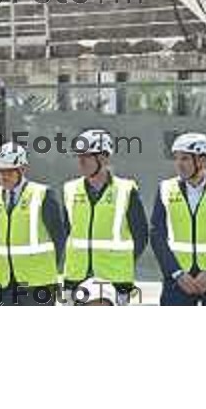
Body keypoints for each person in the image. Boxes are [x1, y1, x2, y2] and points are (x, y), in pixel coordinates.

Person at [62, 129, 149, 305]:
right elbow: (66, 230)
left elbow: (141, 235)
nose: (80, 161)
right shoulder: (70, 190)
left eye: (86, 156)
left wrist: (122, 262)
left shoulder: (126, 190)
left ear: (102, 158)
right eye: (79, 156)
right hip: (76, 275)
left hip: (115, 279)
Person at [151, 132, 206, 306]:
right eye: (176, 158)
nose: (179, 164)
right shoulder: (165, 189)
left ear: (201, 160)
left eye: (185, 159)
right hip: (178, 280)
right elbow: (157, 236)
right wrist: (176, 273)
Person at [0, 142, 66, 305]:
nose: (3, 176)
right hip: (3, 281)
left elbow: (60, 236)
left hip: (38, 281)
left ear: (22, 169)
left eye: (8, 171)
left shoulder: (42, 194)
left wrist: (47, 266)